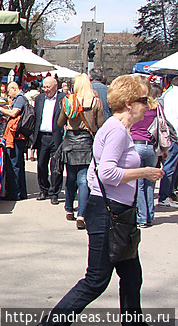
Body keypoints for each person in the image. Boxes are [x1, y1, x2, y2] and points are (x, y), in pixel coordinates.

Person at [40, 74, 165, 326]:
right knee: (96, 280)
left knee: (131, 277)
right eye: (143, 99)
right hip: (108, 214)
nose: (147, 104)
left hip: (119, 214)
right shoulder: (116, 130)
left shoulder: (118, 128)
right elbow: (107, 173)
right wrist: (145, 173)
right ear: (130, 102)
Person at [58, 74, 105, 230]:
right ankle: (82, 215)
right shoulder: (95, 102)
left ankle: (69, 208)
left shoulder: (69, 101)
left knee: (70, 177)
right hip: (86, 141)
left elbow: (60, 122)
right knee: (84, 179)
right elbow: (100, 125)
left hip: (71, 140)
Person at [129, 80, 165, 227]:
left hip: (136, 145)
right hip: (151, 146)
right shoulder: (155, 107)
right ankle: (150, 215)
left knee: (139, 183)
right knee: (150, 182)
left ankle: (142, 217)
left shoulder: (134, 107)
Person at [0, 81, 29, 200]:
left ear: (14, 88)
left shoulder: (20, 99)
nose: (9, 95)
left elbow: (14, 113)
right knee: (18, 164)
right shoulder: (21, 98)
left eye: (9, 92)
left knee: (14, 164)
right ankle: (21, 192)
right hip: (19, 136)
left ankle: (14, 193)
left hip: (16, 136)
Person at [31, 76, 66, 204]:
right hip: (42, 136)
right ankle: (43, 189)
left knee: (56, 166)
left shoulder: (63, 98)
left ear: (55, 86)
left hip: (56, 136)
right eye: (44, 87)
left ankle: (54, 192)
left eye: (48, 87)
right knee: (41, 165)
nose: (46, 90)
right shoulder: (39, 99)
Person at [158, 76, 178, 208]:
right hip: (174, 134)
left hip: (170, 134)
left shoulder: (167, 95)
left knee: (170, 166)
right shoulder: (173, 96)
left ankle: (167, 194)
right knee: (170, 167)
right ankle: (165, 195)